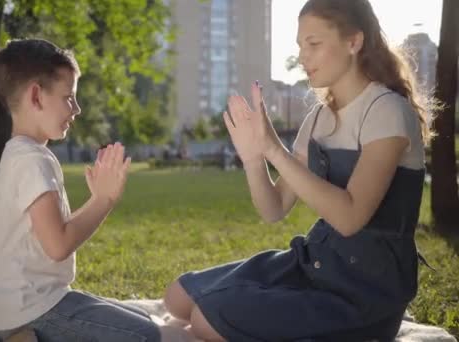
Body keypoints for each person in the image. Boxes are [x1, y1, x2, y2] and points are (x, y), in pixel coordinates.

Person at [163, 0, 435, 340]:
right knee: (177, 297)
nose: (303, 57)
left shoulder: (387, 112)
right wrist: (253, 158)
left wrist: (275, 149)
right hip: (314, 261)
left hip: (362, 291)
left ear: (354, 42)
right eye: (300, 45)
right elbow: (274, 208)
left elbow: (350, 218)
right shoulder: (318, 118)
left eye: (314, 44)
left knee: (206, 318)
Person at [0, 38, 160, 342]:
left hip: (20, 307)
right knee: (145, 335)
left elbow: (51, 235)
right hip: (31, 310)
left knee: (143, 319)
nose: (76, 109)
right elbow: (59, 245)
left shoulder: (20, 154)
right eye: (69, 97)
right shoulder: (31, 160)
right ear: (36, 96)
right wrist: (103, 200)